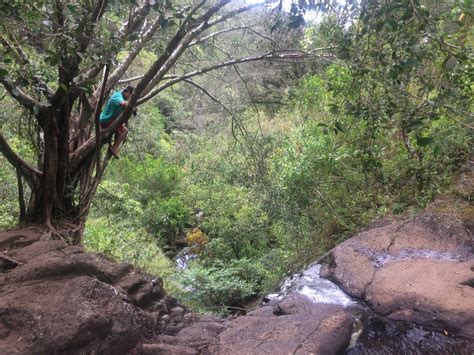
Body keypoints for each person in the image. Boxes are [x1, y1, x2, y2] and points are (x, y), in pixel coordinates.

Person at [99, 85, 135, 159]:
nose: (129, 97)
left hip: (111, 120)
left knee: (120, 131)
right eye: (130, 95)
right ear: (127, 92)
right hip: (106, 120)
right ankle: (114, 148)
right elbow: (123, 104)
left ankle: (113, 146)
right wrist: (132, 107)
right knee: (125, 131)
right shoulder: (117, 96)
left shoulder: (123, 98)